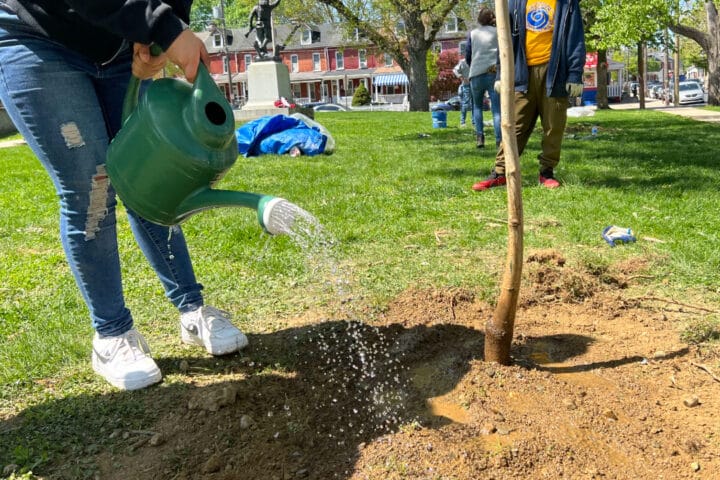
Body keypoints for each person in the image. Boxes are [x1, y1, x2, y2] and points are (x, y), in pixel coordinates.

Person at [0, 0, 248, 391]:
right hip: (38, 38)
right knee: (91, 187)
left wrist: (154, 38)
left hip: (120, 42)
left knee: (150, 175)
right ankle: (112, 335)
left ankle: (192, 308)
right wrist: (163, 26)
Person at [472, 0, 585, 191]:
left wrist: (574, 73)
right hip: (522, 72)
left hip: (555, 71)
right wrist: (501, 73)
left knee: (553, 125)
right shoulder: (514, 3)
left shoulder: (567, 3)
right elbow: (504, 39)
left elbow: (575, 38)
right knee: (514, 124)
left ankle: (546, 172)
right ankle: (501, 172)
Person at [465, 7, 502, 149]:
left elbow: (468, 54)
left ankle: (480, 137)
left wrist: (473, 65)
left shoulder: (473, 34)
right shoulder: (499, 32)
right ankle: (499, 140)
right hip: (494, 73)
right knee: (497, 109)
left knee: (477, 106)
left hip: (476, 73)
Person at [452, 58, 473, 128]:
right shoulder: (463, 62)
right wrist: (462, 77)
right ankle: (462, 122)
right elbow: (455, 70)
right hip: (466, 84)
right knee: (466, 103)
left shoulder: (476, 59)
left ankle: (474, 122)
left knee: (475, 103)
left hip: (475, 83)